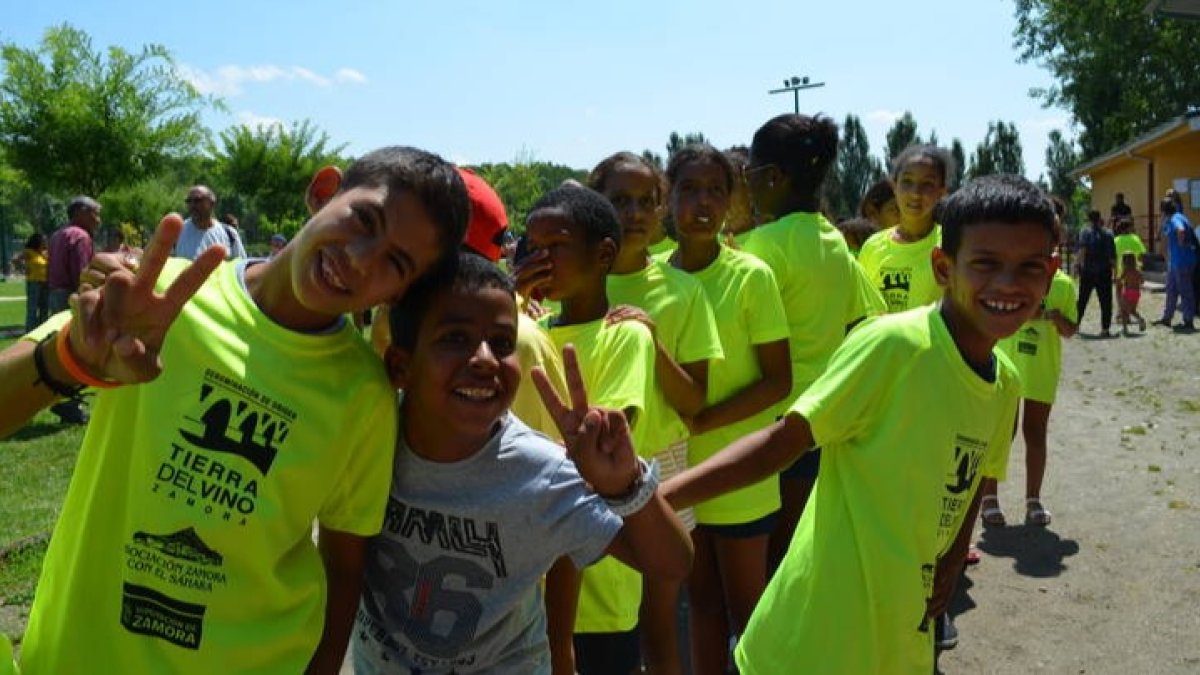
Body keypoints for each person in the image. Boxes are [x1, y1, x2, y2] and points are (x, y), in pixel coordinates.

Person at [0, 146, 471, 674]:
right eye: (364, 219)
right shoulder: (159, 296)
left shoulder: (364, 395)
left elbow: (343, 566)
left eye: (396, 262)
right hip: (78, 657)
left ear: (401, 292)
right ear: (324, 194)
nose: (362, 258)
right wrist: (73, 358)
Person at [661, 173, 1055, 675]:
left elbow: (976, 473)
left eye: (1029, 267)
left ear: (1052, 271)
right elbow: (781, 442)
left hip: (898, 635)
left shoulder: (1006, 383)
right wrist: (661, 498)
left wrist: (954, 557)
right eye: (985, 264)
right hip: (809, 638)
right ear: (942, 266)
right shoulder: (893, 346)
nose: (1007, 284)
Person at [351, 252, 692, 674]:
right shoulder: (369, 438)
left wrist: (625, 485)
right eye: (454, 338)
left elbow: (672, 562)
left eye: (502, 343)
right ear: (401, 366)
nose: (484, 358)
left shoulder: (539, 472)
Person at [588, 150, 723, 675]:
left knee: (659, 617)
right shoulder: (573, 278)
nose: (635, 212)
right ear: (596, 203)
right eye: (620, 200)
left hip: (661, 464)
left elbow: (694, 401)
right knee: (594, 615)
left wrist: (649, 336)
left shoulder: (683, 290)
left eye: (647, 200)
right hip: (586, 465)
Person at [517, 186, 659, 675]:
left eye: (555, 246)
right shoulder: (525, 328)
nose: (541, 259)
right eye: (531, 247)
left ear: (602, 255)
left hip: (599, 583)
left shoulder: (625, 335)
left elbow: (598, 457)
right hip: (529, 585)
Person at [664, 144, 791, 675]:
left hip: (740, 475)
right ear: (667, 196)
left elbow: (779, 381)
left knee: (751, 612)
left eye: (715, 190)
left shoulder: (751, 276)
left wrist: (706, 420)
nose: (702, 201)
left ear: (731, 199)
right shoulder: (650, 275)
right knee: (702, 605)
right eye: (689, 188)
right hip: (675, 473)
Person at [738, 113, 883, 573]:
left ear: (774, 178)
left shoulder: (763, 246)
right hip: (822, 413)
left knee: (767, 548)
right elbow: (863, 319)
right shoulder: (835, 241)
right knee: (797, 539)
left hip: (772, 419)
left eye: (750, 174)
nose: (746, 184)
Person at [981, 257, 1078, 528]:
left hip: (1041, 369)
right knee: (1001, 433)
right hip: (1007, 363)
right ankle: (989, 498)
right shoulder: (1011, 275)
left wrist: (1053, 316)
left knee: (1035, 433)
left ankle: (1033, 500)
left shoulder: (1064, 284)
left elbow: (1071, 330)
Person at [858, 144, 952, 314]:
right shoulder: (872, 247)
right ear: (894, 186)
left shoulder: (951, 245)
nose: (916, 193)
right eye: (907, 182)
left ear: (942, 191)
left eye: (928, 184)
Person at [45, 195, 102, 424]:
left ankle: (61, 399)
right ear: (81, 212)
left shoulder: (58, 234)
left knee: (60, 350)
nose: (98, 220)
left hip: (55, 295)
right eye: (95, 213)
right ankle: (70, 405)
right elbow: (83, 274)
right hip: (72, 297)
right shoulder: (81, 236)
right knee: (78, 351)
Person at [1152, 198, 1196, 332]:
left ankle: (1188, 320)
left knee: (1185, 290)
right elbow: (1159, 235)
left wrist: (1181, 243)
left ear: (1163, 210)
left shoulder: (1175, 219)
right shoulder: (1174, 218)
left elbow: (1181, 230)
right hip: (1175, 261)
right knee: (1171, 289)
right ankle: (1167, 317)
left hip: (1182, 261)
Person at [174, 185, 247, 260]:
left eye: (198, 200)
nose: (192, 205)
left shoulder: (229, 233)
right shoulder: (177, 233)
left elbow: (242, 266)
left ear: (212, 203)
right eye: (188, 201)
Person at [1075, 209, 1117, 336]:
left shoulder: (1085, 232)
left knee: (1082, 299)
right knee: (1106, 301)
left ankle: (1076, 325)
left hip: (1088, 270)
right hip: (1104, 271)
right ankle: (1105, 328)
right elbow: (1112, 257)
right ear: (1100, 219)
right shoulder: (1108, 234)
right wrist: (1116, 272)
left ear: (1089, 219)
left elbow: (1082, 251)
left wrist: (1077, 266)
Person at [22, 233, 49, 332]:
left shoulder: (45, 253)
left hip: (45, 283)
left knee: (44, 308)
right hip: (34, 283)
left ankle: (42, 329)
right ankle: (29, 330)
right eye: (43, 241)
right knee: (32, 309)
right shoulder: (29, 252)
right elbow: (16, 260)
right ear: (37, 242)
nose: (45, 243)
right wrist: (25, 269)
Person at [1116, 253, 1146, 334]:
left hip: (1128, 292)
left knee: (1124, 311)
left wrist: (1117, 280)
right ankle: (1141, 319)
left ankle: (1125, 328)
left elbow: (1119, 280)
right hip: (1136, 293)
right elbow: (1142, 281)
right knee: (1133, 310)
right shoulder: (1137, 271)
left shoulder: (1125, 271)